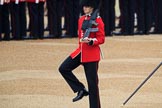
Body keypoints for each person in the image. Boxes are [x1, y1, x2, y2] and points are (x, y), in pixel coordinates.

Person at [58, 0, 105, 108]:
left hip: (92, 55)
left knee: (93, 86)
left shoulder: (98, 20)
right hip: (81, 52)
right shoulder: (81, 19)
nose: (85, 8)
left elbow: (101, 38)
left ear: (92, 7)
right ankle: (80, 89)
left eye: (87, 6)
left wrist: (92, 41)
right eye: (84, 6)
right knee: (63, 68)